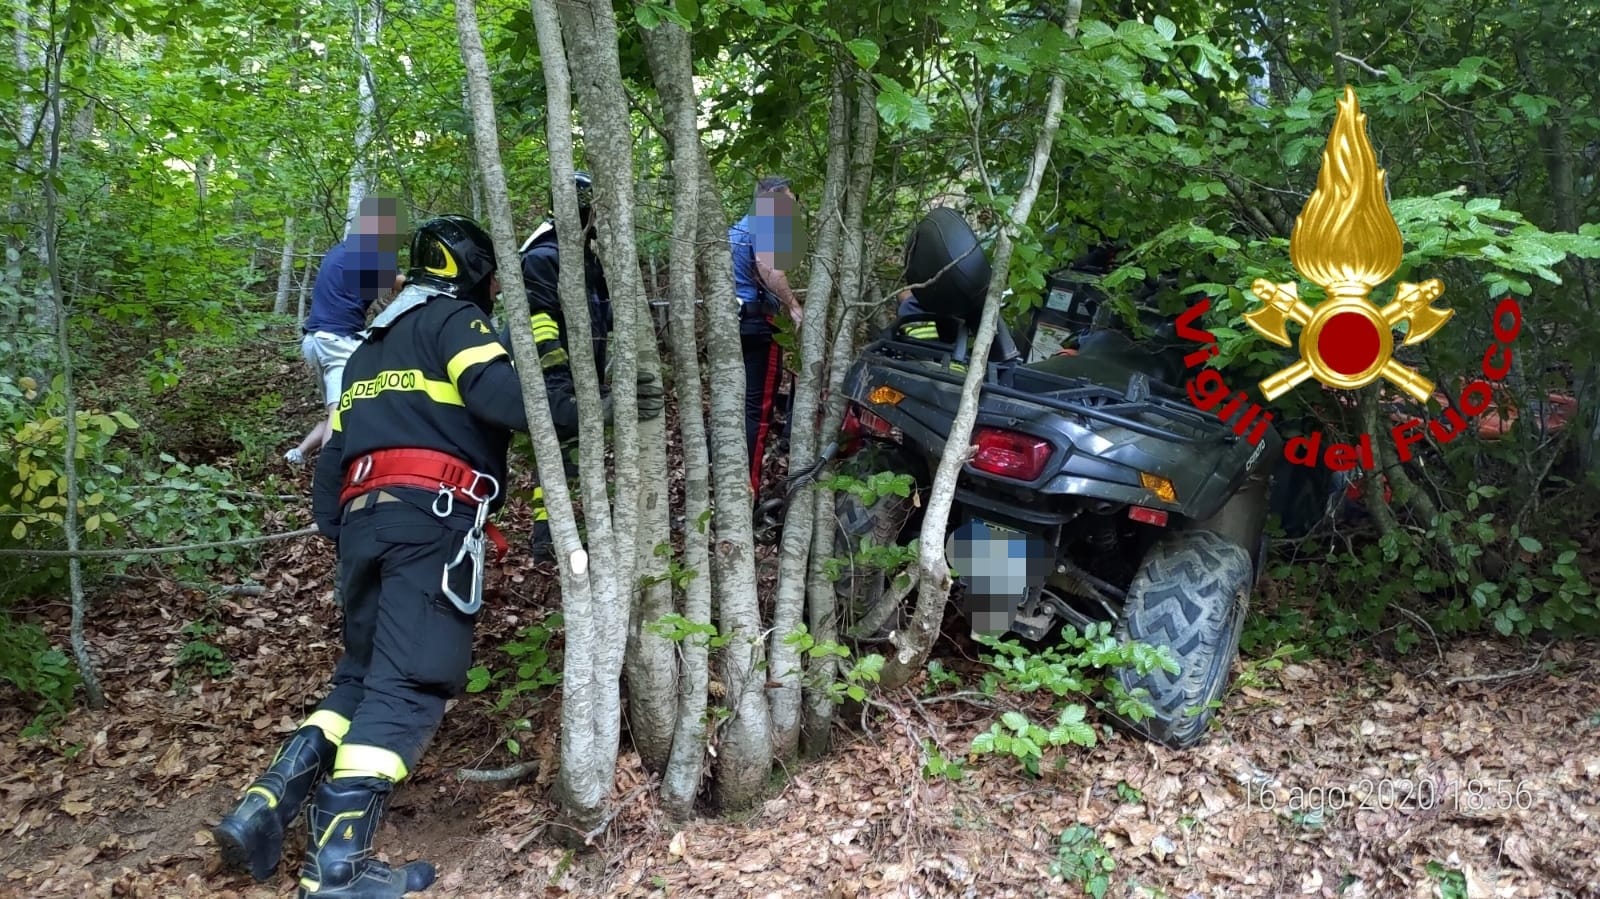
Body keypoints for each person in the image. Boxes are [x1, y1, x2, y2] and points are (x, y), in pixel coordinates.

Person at [213, 214, 660, 897]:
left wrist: (353, 531)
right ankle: (338, 865)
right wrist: (602, 407)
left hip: (362, 526)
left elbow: (331, 468)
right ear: (477, 279)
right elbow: (503, 397)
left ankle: (265, 805)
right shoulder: (454, 323)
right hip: (430, 520)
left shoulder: (366, 350)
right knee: (410, 681)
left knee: (360, 676)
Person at [506, 171, 611, 561]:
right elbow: (539, 320)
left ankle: (569, 533)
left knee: (579, 458)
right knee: (557, 459)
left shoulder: (581, 255)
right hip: (558, 376)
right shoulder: (543, 257)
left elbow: (598, 312)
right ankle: (547, 541)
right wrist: (557, 375)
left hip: (583, 373)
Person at [285, 196, 405, 465]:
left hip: (315, 340)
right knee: (343, 410)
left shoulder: (340, 251)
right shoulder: (368, 253)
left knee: (338, 407)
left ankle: (298, 453)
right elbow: (403, 285)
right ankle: (331, 474)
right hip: (338, 341)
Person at [730, 176, 804, 492]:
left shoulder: (736, 229)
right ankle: (749, 489)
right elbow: (770, 270)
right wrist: (793, 306)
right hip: (760, 326)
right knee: (757, 411)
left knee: (737, 403)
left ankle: (729, 477)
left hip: (735, 324)